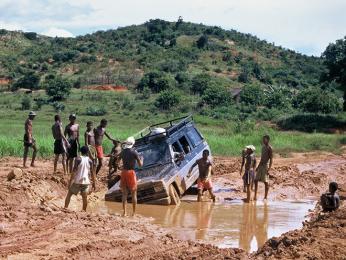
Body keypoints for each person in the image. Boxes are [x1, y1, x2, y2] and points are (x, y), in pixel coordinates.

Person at [64, 146, 96, 211]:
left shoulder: (78, 159)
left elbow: (74, 171)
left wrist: (70, 181)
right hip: (86, 182)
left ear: (81, 152)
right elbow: (92, 173)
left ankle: (65, 208)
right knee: (85, 197)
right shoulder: (90, 160)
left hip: (77, 181)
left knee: (69, 194)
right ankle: (84, 210)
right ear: (87, 152)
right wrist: (94, 183)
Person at [117, 136, 143, 216]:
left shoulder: (123, 152)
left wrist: (121, 167)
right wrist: (142, 159)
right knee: (133, 194)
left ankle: (124, 213)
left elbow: (117, 162)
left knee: (124, 194)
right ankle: (134, 213)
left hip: (124, 172)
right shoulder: (134, 152)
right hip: (131, 173)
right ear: (133, 144)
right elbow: (140, 165)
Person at [254, 135, 273, 201]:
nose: (263, 140)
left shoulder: (270, 148)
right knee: (255, 180)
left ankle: (265, 197)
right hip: (261, 165)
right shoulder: (263, 147)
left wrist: (269, 169)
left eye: (264, 139)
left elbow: (271, 159)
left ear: (268, 139)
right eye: (263, 139)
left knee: (266, 182)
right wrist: (258, 166)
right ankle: (255, 196)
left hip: (265, 165)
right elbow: (262, 158)